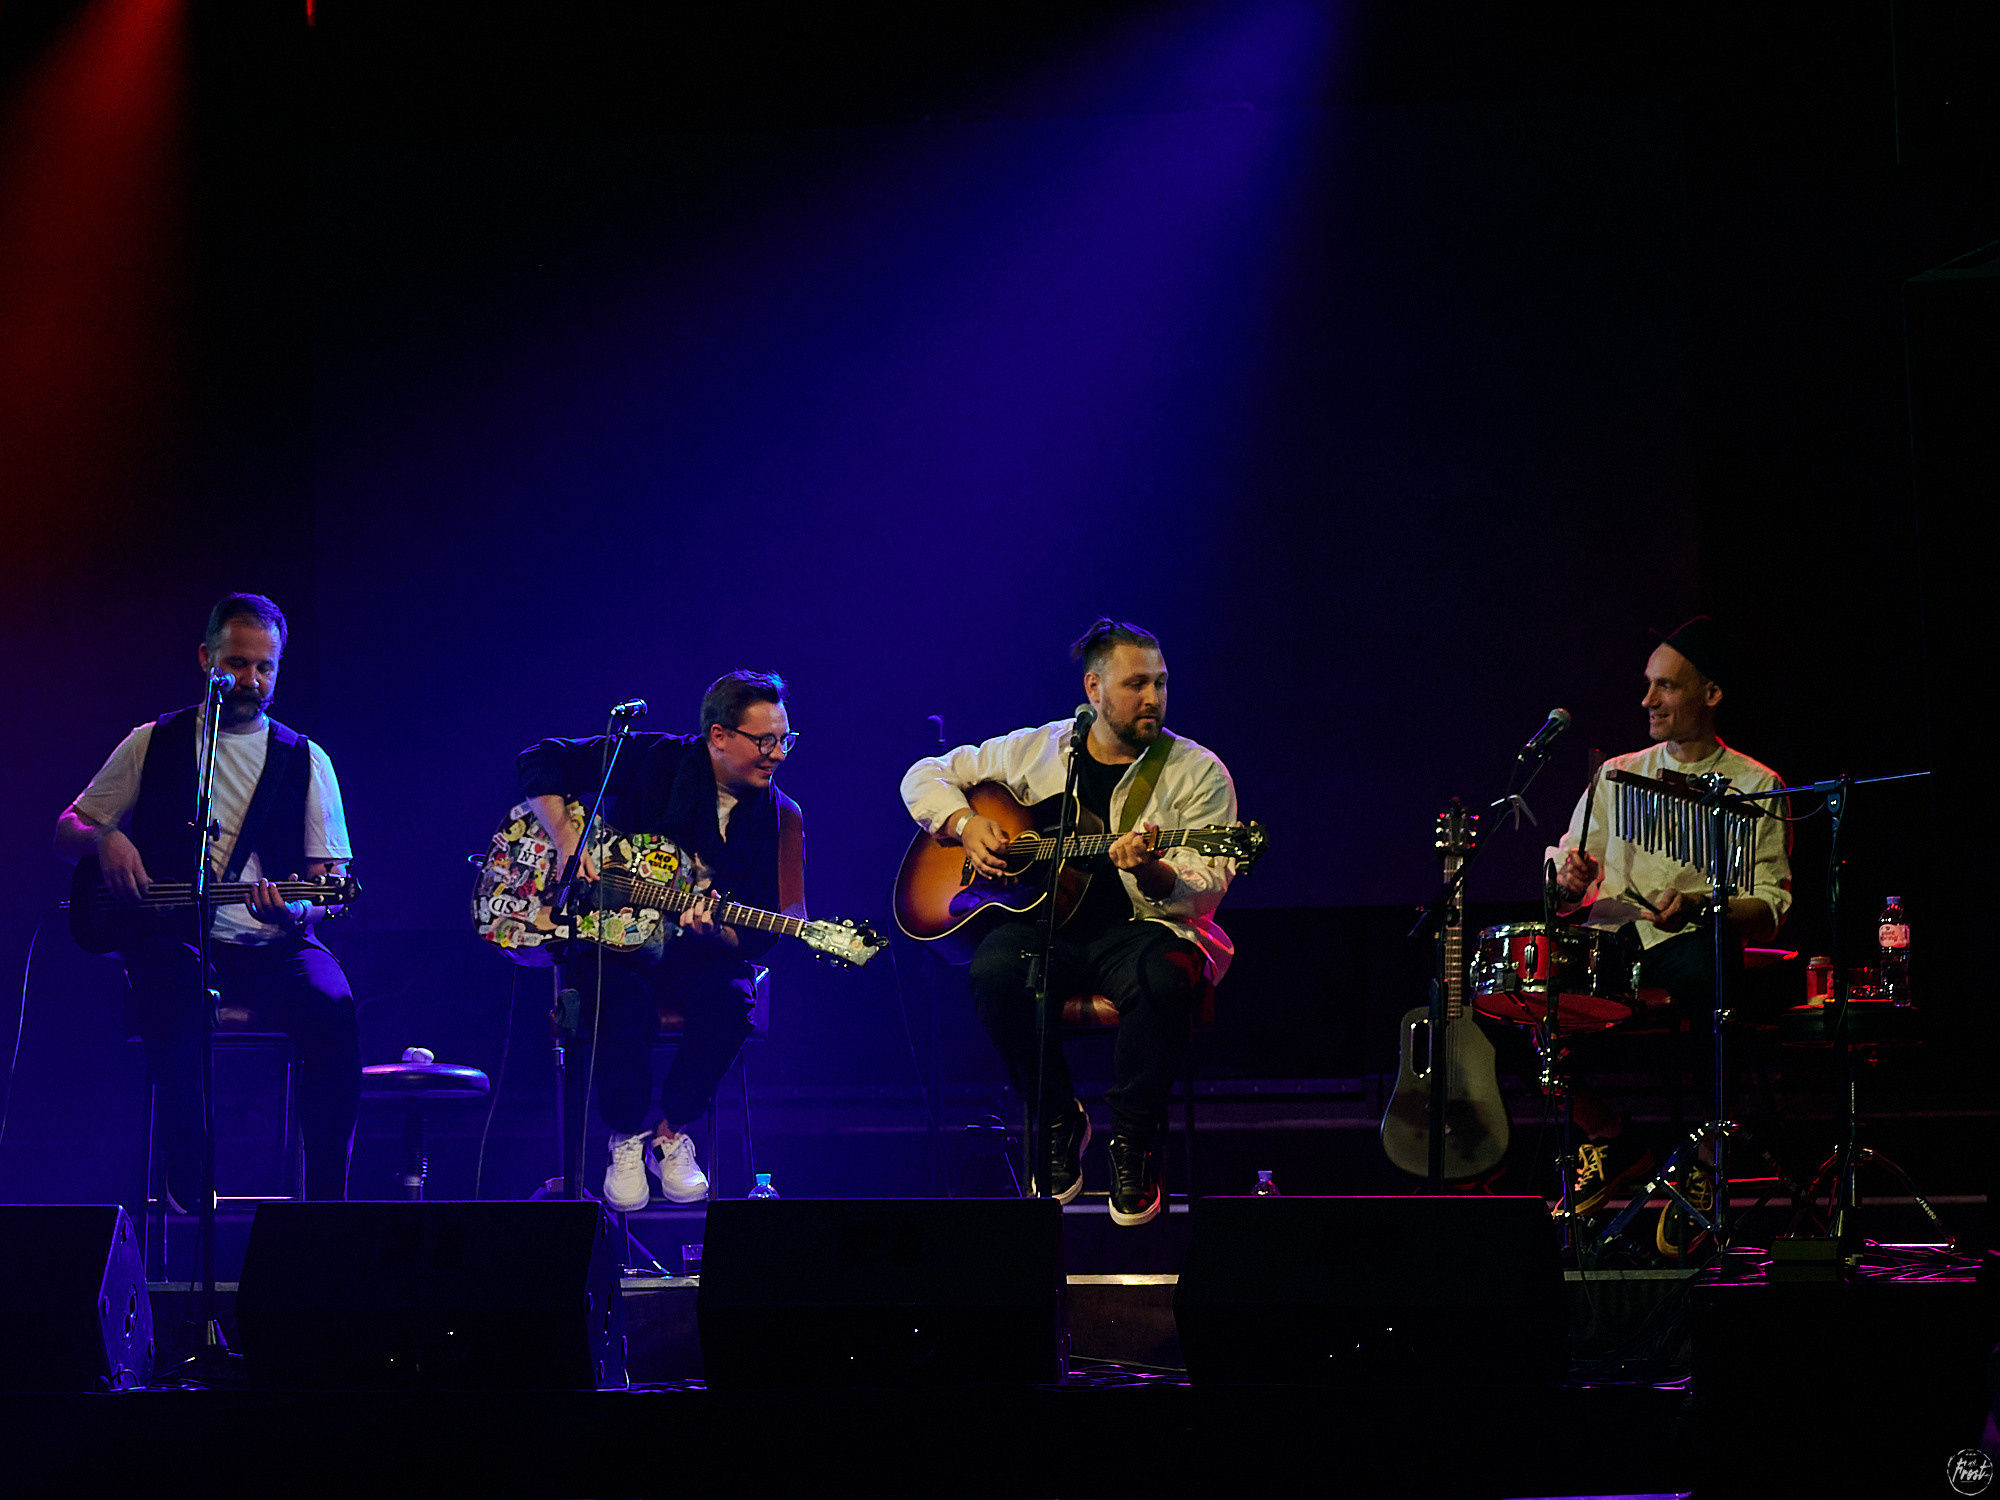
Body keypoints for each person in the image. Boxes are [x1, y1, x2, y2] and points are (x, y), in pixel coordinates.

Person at [900, 619, 1239, 1226]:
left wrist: (1154, 869)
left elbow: (1207, 883)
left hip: (1145, 927)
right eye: (1136, 684)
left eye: (1160, 684)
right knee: (995, 973)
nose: (1153, 698)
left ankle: (1134, 1140)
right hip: (1047, 926)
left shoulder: (1197, 771)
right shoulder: (1038, 749)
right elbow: (924, 773)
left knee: (1164, 979)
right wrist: (964, 824)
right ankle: (1057, 1116)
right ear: (1094, 689)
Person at [53, 593, 361, 1205]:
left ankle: (328, 1201)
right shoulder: (152, 742)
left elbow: (327, 883)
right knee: (172, 986)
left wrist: (297, 909)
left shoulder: (306, 759)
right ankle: (189, 1172)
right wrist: (106, 838)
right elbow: (67, 829)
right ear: (206, 659)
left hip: (274, 947)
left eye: (265, 667)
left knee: (334, 1009)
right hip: (176, 941)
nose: (251, 680)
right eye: (237, 663)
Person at [1547, 615, 1791, 1255]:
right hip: (1617, 944)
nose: (1647, 700)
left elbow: (1771, 904)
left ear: (1711, 694)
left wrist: (1704, 906)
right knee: (1507, 995)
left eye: (1667, 686)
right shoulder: (1617, 774)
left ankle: (1710, 1157)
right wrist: (1570, 882)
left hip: (1692, 943)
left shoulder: (1755, 784)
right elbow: (1570, 880)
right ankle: (1608, 1136)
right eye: (1648, 684)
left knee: (1717, 977)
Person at [517, 671, 804, 1209]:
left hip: (699, 955)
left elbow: (763, 925)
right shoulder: (654, 759)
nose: (778, 754)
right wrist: (568, 841)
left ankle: (672, 1133)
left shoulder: (774, 813)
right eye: (765, 741)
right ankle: (625, 1133)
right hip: (616, 943)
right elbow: (541, 758)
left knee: (732, 1002)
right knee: (619, 999)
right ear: (719, 736)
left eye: (785, 739)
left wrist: (717, 930)